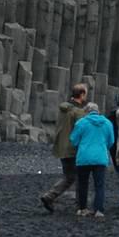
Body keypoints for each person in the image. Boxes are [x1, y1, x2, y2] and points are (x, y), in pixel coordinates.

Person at [40, 84, 89, 213]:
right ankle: (80, 205)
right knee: (78, 176)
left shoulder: (64, 109)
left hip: (61, 148)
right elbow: (83, 128)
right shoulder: (77, 112)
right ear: (82, 94)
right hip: (73, 149)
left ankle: (50, 196)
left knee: (69, 176)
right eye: (86, 94)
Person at [69, 101, 113, 218]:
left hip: (83, 157)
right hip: (100, 158)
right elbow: (111, 141)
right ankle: (99, 210)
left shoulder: (81, 123)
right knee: (99, 185)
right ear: (98, 111)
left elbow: (73, 140)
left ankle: (82, 209)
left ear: (86, 111)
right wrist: (103, 147)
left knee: (83, 184)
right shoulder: (107, 123)